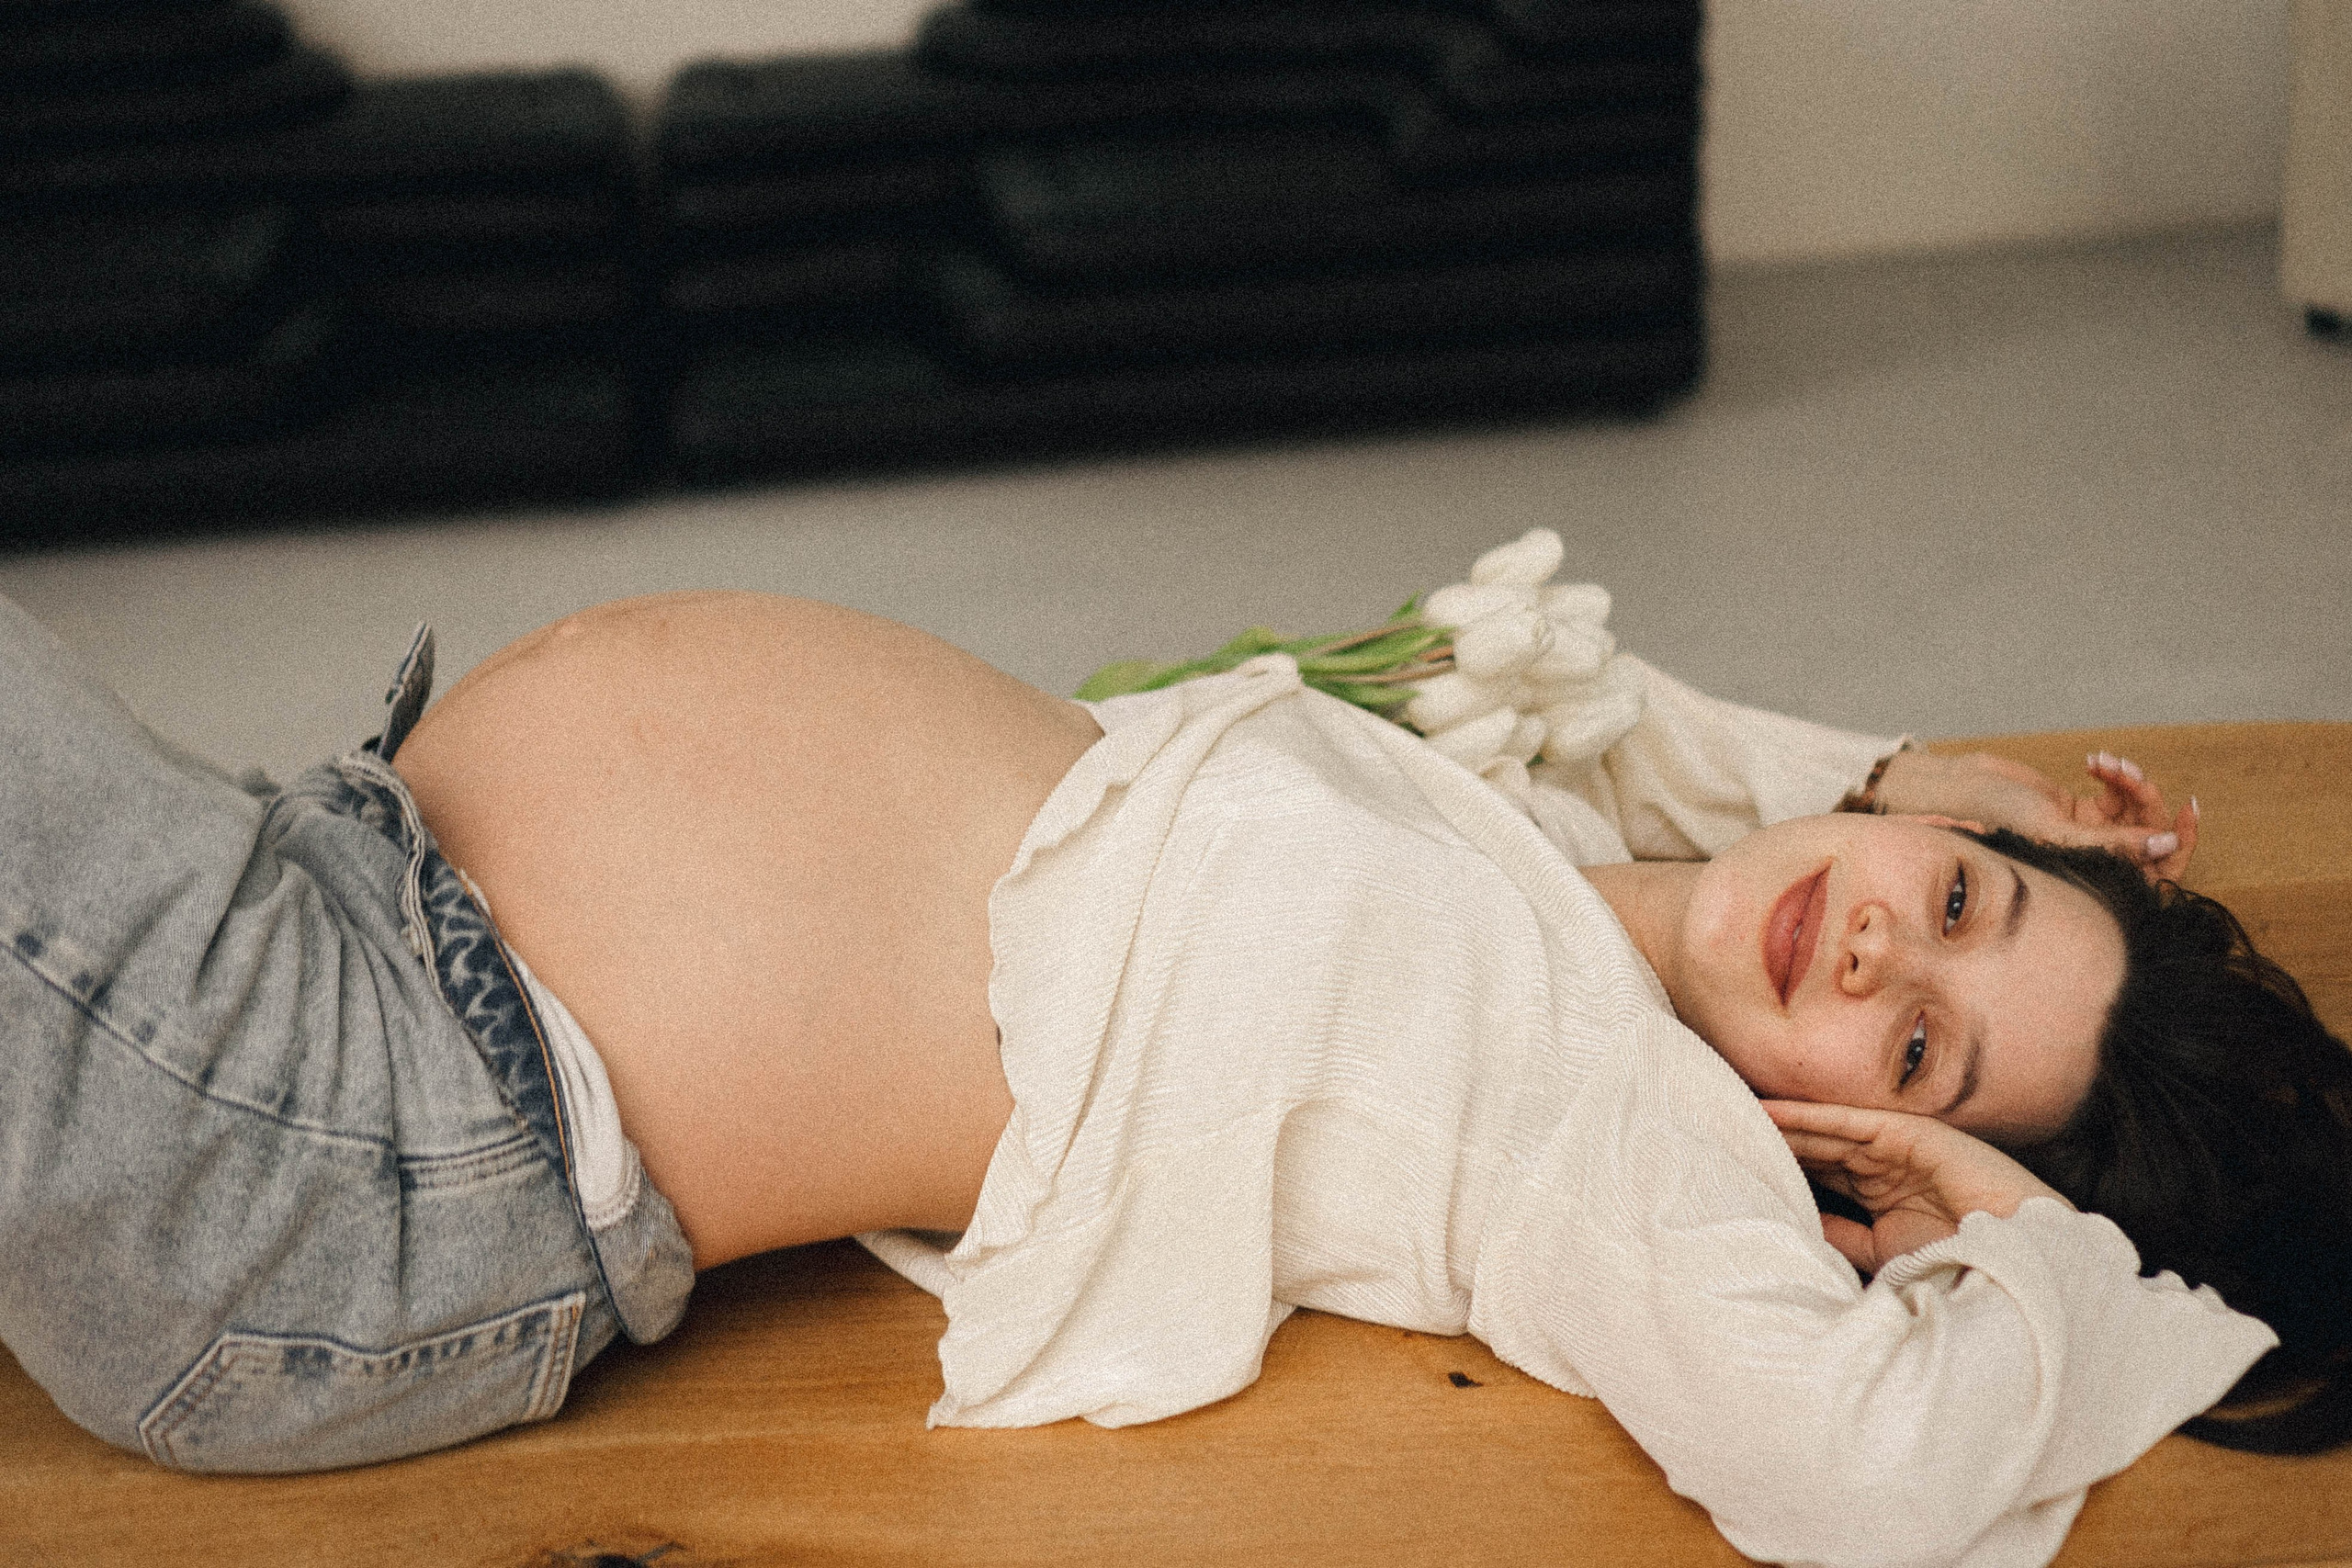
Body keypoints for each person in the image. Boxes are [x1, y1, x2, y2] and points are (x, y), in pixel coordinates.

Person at [0, 581, 2342, 1568]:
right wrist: (1946, 788)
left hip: (374, 1147)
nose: (1866, 940)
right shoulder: (1528, 816)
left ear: (1873, 1141)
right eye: (1951, 891)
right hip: (322, 877)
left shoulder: (1587, 1110)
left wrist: (2027, 1249)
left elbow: (1848, 1467)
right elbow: (1609, 702)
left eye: (1911, 1044)